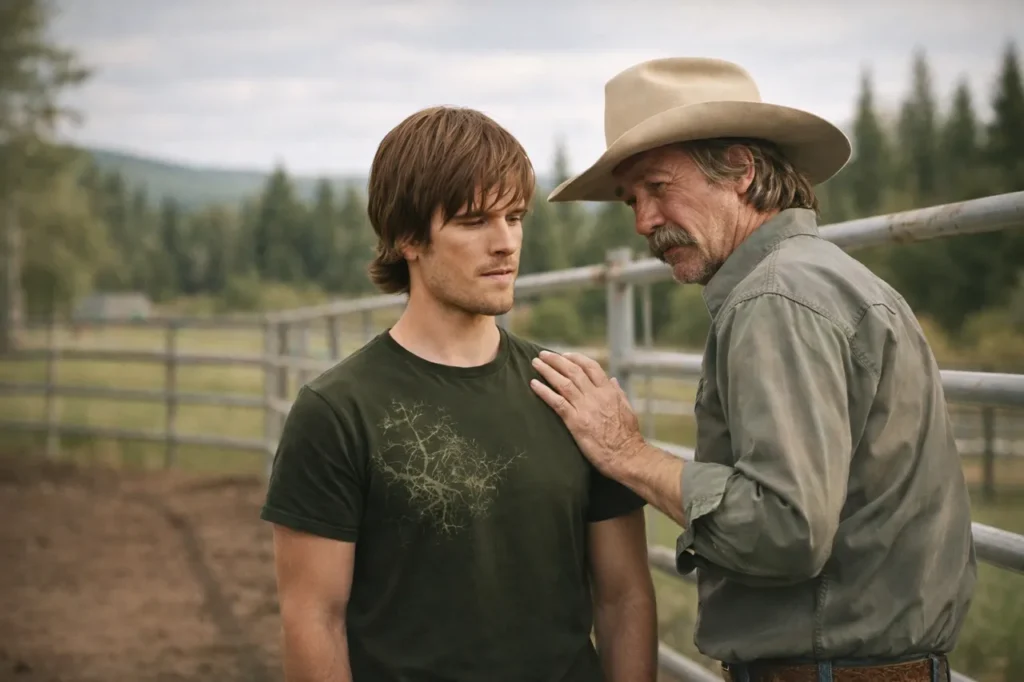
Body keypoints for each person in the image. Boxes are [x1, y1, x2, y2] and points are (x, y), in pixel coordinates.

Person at [529, 57, 976, 682]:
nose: (642, 222)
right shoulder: (819, 277)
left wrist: (626, 453)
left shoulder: (774, 299)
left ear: (739, 169)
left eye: (658, 187)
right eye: (631, 199)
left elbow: (784, 529)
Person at [260, 105, 658, 682]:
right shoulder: (336, 413)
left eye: (515, 216)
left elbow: (625, 599)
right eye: (474, 221)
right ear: (406, 238)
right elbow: (314, 619)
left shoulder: (574, 394)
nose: (505, 244)